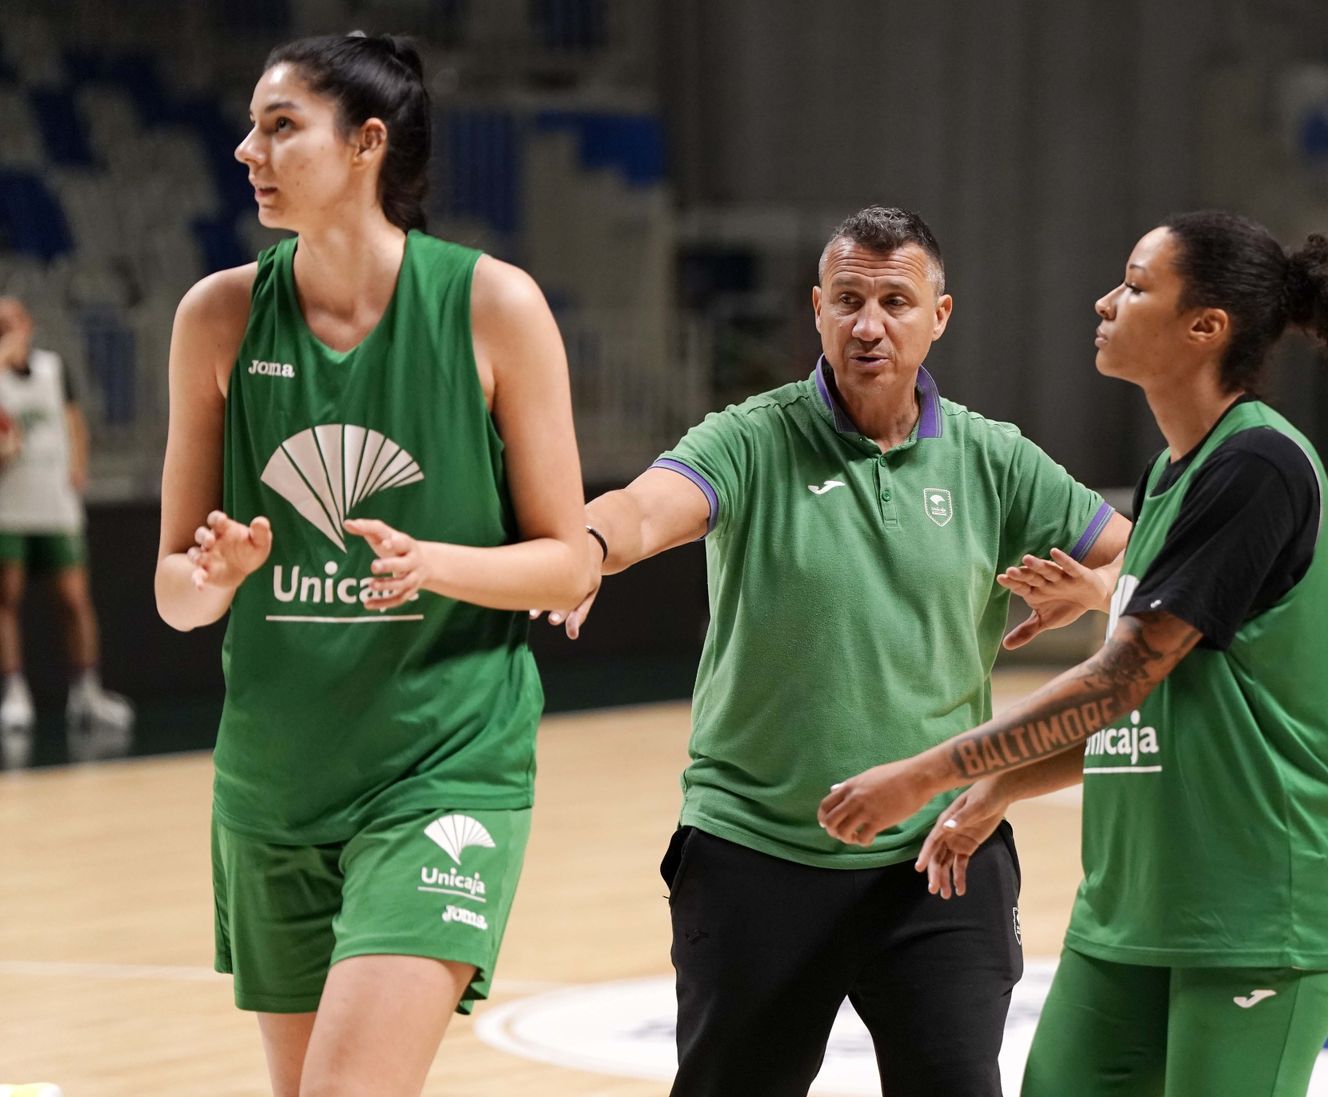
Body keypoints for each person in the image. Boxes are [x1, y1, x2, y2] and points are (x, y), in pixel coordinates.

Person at [540, 205, 1130, 1097]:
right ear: (817, 309)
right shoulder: (751, 438)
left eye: (896, 300)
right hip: (755, 856)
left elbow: (1139, 554)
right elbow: (644, 505)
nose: (869, 323)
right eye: (848, 298)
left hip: (938, 856)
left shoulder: (992, 459)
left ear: (940, 316)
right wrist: (589, 546)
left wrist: (1096, 590)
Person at [820, 210, 1328, 1097]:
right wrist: (999, 784)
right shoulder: (1167, 477)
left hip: (1260, 908)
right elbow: (1147, 715)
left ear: (1206, 327)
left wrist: (924, 773)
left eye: (1136, 285)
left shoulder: (1258, 465)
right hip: (1132, 907)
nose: (1106, 301)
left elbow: (1117, 682)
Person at [153, 33, 595, 1097]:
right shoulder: (215, 317)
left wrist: (433, 562)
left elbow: (569, 563)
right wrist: (214, 573)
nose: (245, 148)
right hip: (274, 782)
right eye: (254, 125)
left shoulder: (494, 306)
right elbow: (172, 594)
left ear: (366, 144)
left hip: (440, 769)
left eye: (278, 125)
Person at [0, 296, 133, 768]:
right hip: (8, 505)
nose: (8, 327)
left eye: (14, 319)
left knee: (75, 599)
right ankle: (14, 694)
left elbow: (74, 424)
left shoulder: (54, 370)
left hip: (55, 501)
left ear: (30, 324)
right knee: (7, 597)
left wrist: (78, 466)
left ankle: (87, 693)